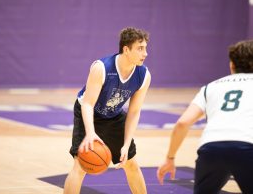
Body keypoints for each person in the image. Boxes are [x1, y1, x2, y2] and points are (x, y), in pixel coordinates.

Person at [157, 39, 253, 194]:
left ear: (231, 64)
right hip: (247, 146)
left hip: (211, 148)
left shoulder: (211, 87)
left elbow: (182, 123)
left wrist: (170, 158)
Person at [63, 27, 151, 194]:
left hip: (113, 115)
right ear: (126, 49)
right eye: (140, 48)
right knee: (80, 165)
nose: (145, 53)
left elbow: (134, 112)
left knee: (130, 162)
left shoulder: (144, 75)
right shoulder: (102, 68)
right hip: (89, 113)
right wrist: (90, 133)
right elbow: (87, 104)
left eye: (145, 48)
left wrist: (126, 144)